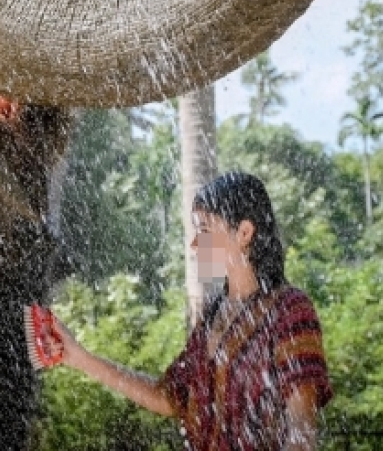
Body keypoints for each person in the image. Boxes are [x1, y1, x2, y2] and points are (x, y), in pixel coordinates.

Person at [48, 171, 332, 451]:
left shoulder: (290, 310)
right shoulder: (212, 316)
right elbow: (168, 398)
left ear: (244, 232)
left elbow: (301, 430)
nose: (195, 244)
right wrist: (78, 357)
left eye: (205, 230)